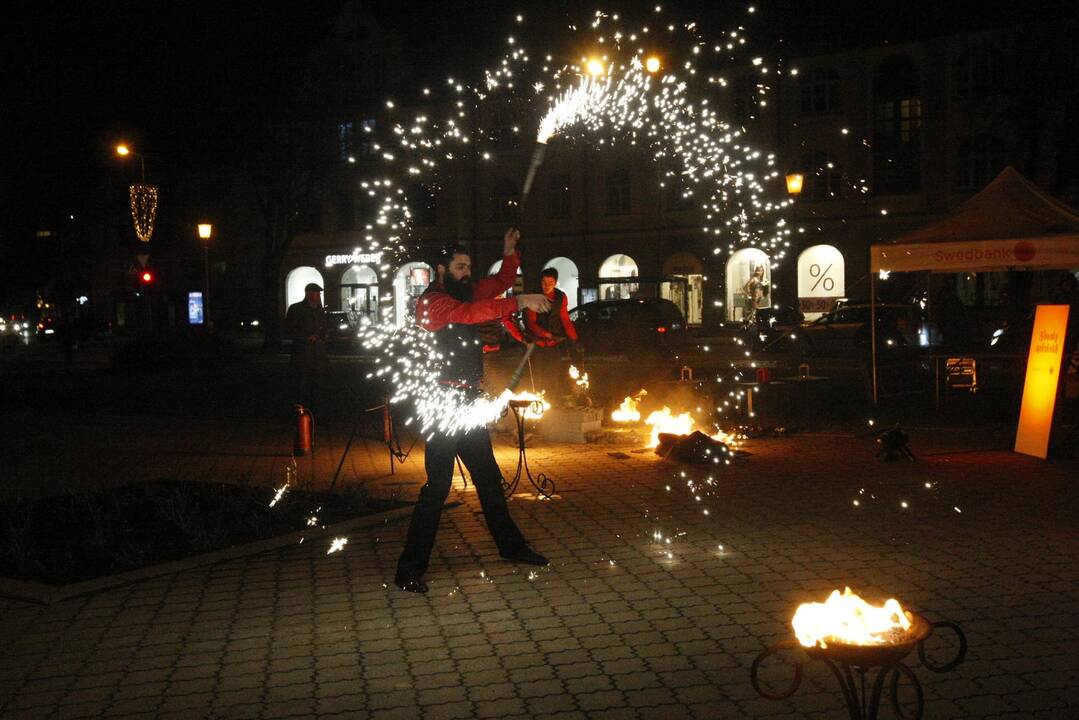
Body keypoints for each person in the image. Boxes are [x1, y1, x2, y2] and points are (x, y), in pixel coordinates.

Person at [395, 228, 552, 594]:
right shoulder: (433, 302)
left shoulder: (463, 291)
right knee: (437, 488)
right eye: (460, 267)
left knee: (488, 479)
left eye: (469, 267)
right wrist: (520, 302)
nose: (467, 273)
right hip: (442, 405)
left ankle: (511, 547)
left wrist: (510, 254)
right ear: (441, 269)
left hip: (467, 402)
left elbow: (497, 284)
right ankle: (408, 570)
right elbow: (471, 313)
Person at [285, 282, 328, 411]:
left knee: (317, 382)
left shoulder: (319, 310)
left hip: (317, 354)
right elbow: (290, 329)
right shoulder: (296, 309)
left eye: (319, 293)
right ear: (309, 294)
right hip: (302, 353)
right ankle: (300, 408)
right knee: (301, 381)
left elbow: (323, 327)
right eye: (316, 293)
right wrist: (306, 337)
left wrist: (323, 336)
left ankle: (315, 407)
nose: (319, 295)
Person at [524, 267, 578, 348]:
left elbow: (565, 320)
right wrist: (546, 334)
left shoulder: (561, 297)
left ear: (555, 283)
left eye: (550, 282)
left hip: (554, 342)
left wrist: (574, 339)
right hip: (537, 342)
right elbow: (531, 322)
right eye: (544, 282)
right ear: (540, 282)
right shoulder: (533, 296)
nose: (547, 286)